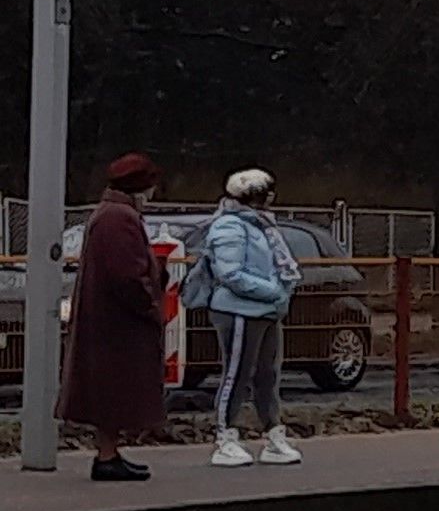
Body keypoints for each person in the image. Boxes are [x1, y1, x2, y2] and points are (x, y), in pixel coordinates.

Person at [60, 153, 171, 482]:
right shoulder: (120, 218)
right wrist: (152, 304)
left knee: (110, 392)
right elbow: (128, 276)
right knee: (114, 391)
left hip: (109, 321)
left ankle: (109, 454)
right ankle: (107, 457)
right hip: (118, 325)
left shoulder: (109, 213)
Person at [196, 169, 303, 468]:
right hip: (238, 310)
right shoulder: (229, 225)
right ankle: (225, 437)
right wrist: (274, 291)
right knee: (237, 374)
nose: (272, 197)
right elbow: (230, 274)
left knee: (268, 375)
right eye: (267, 192)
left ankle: (273, 434)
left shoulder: (261, 225)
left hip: (266, 310)